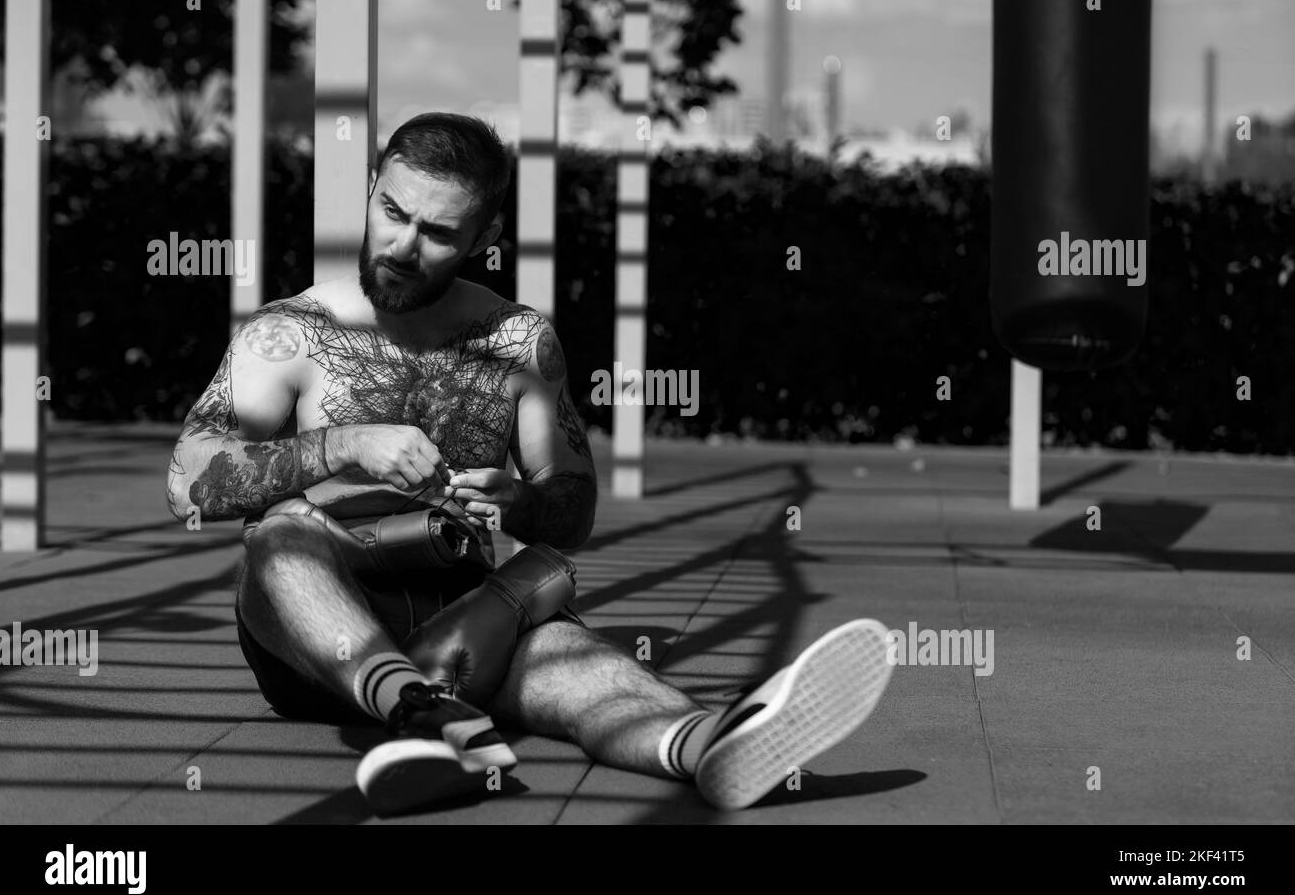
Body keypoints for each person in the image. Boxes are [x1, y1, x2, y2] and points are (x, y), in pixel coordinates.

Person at [165, 112, 893, 814]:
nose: (401, 245)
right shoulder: (291, 334)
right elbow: (188, 482)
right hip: (315, 636)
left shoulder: (518, 342)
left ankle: (711, 745)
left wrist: (519, 503)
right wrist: (343, 444)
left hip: (465, 617)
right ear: (371, 190)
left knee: (579, 663)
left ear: (487, 236)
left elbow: (569, 515)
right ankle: (422, 714)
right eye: (392, 211)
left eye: (438, 232)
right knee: (280, 538)